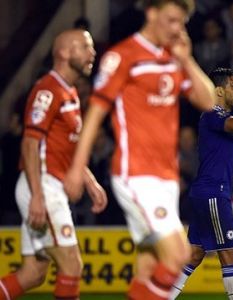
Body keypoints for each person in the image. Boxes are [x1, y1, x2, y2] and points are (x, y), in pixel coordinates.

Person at [63, 1, 216, 299]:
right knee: (178, 255)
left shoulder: (173, 57)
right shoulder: (123, 56)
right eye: (171, 20)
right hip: (135, 173)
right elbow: (94, 115)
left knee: (148, 268)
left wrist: (187, 60)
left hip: (165, 177)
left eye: (181, 22)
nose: (177, 29)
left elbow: (209, 102)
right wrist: (76, 170)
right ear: (151, 12)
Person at [0, 29, 107, 300]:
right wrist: (37, 195)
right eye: (85, 46)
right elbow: (29, 143)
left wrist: (89, 180)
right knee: (72, 265)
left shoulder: (69, 92)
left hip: (48, 187)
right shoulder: (48, 89)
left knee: (33, 272)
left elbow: (67, 147)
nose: (92, 53)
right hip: (43, 186)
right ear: (63, 52)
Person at [170, 67, 233, 300]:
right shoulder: (212, 114)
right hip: (213, 194)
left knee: (195, 254)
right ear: (219, 90)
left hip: (205, 194)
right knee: (230, 256)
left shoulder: (224, 117)